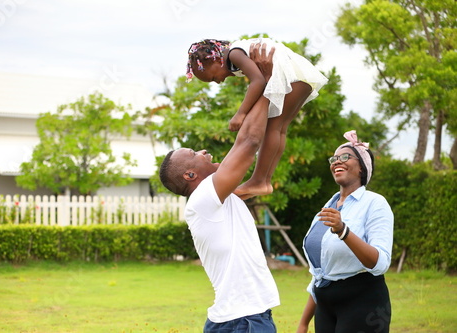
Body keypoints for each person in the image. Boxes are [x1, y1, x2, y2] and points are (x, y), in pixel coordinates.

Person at [160, 44, 280, 332]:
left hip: (233, 319)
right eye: (194, 153)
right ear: (190, 174)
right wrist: (266, 81)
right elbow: (248, 142)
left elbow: (246, 149)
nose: (203, 150)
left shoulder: (216, 199)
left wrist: (263, 85)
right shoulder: (204, 198)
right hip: (245, 321)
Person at [186, 37, 328, 200]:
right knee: (279, 129)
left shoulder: (234, 54)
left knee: (272, 128)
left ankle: (259, 180)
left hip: (289, 76)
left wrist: (240, 114)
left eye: (212, 78)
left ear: (215, 60)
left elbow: (258, 81)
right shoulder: (237, 55)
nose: (218, 82)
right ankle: (264, 182)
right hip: (300, 76)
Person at [296, 130, 394, 333]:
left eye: (345, 157)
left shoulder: (375, 203)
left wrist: (343, 231)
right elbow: (320, 274)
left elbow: (380, 263)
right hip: (325, 306)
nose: (336, 161)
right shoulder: (328, 207)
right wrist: (304, 322)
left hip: (363, 304)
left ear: (362, 168)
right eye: (334, 158)